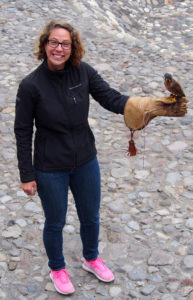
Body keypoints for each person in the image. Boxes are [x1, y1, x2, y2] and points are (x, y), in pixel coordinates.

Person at [14, 21, 187, 296]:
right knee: (55, 222)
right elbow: (22, 132)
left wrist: (148, 106)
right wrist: (27, 174)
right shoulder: (30, 86)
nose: (59, 48)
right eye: (54, 42)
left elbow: (111, 98)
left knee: (91, 216)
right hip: (50, 167)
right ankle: (57, 267)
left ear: (73, 48)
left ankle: (91, 258)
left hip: (85, 159)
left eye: (65, 44)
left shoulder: (83, 72)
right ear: (44, 44)